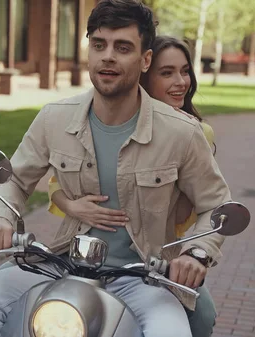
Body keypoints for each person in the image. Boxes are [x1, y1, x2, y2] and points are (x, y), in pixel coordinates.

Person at [0, 1, 232, 336]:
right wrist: (0, 217)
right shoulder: (54, 117)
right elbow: (14, 179)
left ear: (145, 60)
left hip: (144, 277)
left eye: (123, 47)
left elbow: (217, 205)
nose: (108, 56)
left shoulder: (182, 133)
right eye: (99, 45)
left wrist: (196, 255)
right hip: (62, 263)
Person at [46, 35, 218, 337]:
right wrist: (73, 205)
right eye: (167, 73)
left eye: (185, 71)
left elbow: (200, 209)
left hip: (156, 257)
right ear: (143, 74)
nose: (181, 82)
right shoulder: (102, 121)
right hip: (86, 252)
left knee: (202, 315)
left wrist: (194, 255)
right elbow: (54, 183)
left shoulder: (196, 134)